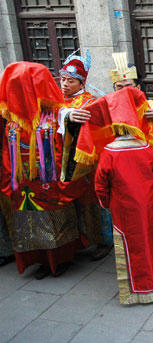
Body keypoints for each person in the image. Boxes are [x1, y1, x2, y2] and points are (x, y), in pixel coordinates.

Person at [83, 87, 153, 305]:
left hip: (123, 209)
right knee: (151, 242)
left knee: (131, 247)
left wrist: (106, 203)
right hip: (149, 206)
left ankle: (135, 292)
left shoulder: (109, 153)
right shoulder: (146, 147)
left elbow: (100, 184)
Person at [0, 62, 84, 279]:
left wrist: (71, 117)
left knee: (54, 218)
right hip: (24, 183)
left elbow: (65, 117)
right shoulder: (10, 119)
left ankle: (60, 259)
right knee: (28, 219)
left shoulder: (53, 114)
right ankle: (38, 259)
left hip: (49, 182)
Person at [104, 53, 153, 267]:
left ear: (138, 86)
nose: (124, 91)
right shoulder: (110, 110)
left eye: (128, 85)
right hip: (121, 177)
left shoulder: (150, 106)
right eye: (118, 87)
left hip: (149, 175)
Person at [58, 49, 112, 261]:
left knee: (93, 203)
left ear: (82, 84)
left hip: (86, 162)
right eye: (62, 79)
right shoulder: (57, 101)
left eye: (70, 81)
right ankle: (79, 239)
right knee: (73, 203)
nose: (64, 84)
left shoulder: (89, 103)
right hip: (61, 160)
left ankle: (103, 241)